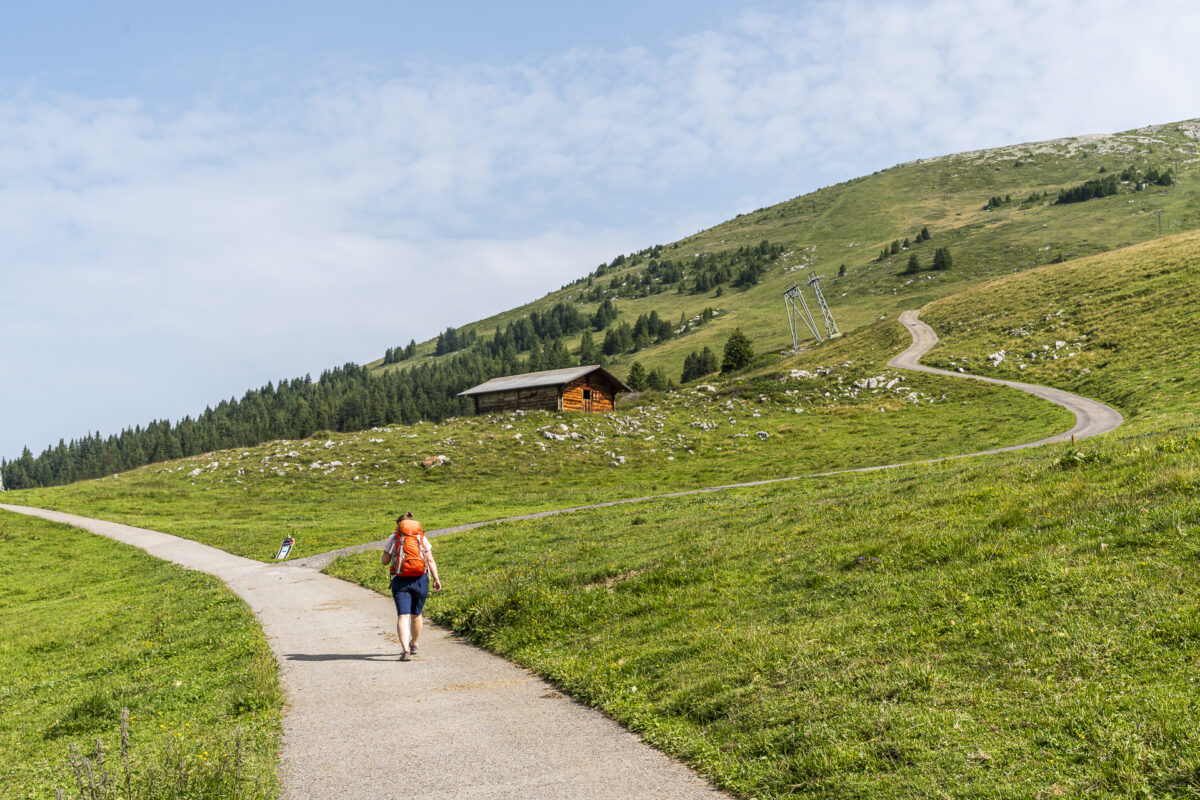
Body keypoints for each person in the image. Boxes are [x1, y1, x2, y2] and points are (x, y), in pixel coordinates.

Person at [381, 511, 442, 661]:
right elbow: (430, 560)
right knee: (417, 614)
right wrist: (436, 578)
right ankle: (414, 644)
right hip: (420, 579)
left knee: (403, 616)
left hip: (400, 580)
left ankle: (405, 651)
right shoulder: (421, 537)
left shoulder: (394, 538)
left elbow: (384, 561)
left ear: (399, 525)